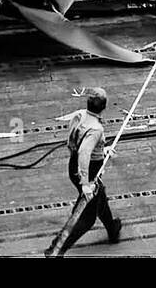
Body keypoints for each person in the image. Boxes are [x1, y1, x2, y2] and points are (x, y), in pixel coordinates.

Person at [45, 87, 122, 256]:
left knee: (99, 197)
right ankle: (56, 249)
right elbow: (84, 153)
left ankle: (112, 228)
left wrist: (102, 149)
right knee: (87, 218)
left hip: (74, 165)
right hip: (87, 171)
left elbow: (77, 141)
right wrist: (86, 183)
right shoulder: (96, 129)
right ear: (104, 106)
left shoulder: (80, 115)